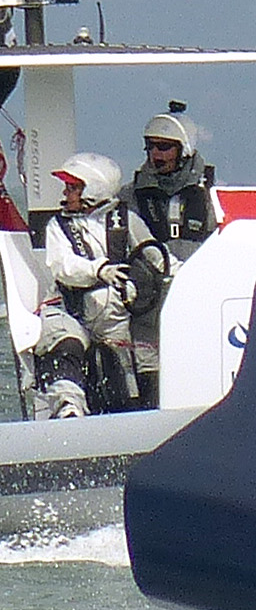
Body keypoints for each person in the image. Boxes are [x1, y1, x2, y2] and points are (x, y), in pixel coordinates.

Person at [37, 152, 161, 414]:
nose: (66, 193)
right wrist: (99, 270)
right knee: (66, 344)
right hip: (70, 310)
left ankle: (126, 414)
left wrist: (185, 275)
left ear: (93, 190)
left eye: (73, 187)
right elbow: (63, 265)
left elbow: (156, 257)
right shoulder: (58, 226)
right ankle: (68, 409)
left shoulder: (126, 220)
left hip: (115, 320)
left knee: (122, 372)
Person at [131, 106, 216, 260]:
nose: (155, 153)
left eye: (164, 147)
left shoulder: (211, 196)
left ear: (183, 150)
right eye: (150, 146)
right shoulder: (132, 195)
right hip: (149, 272)